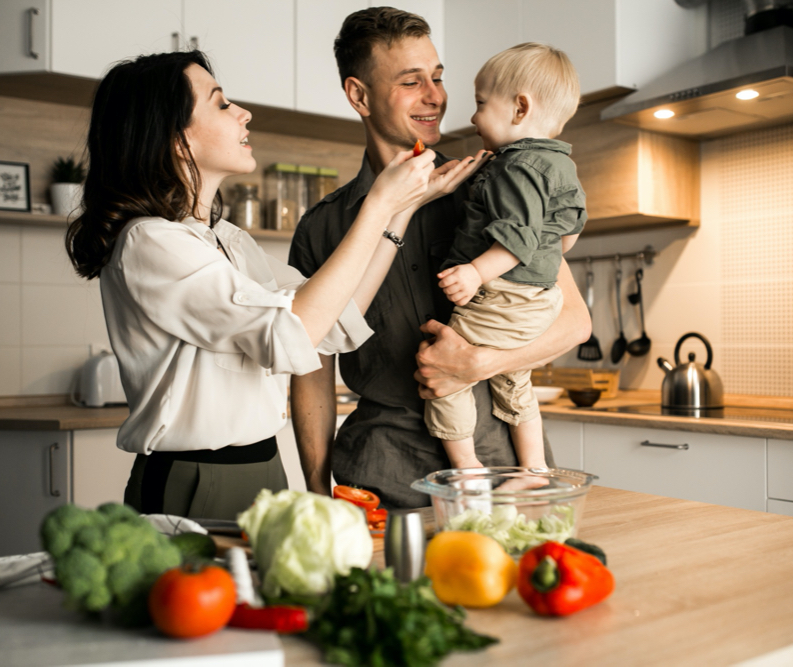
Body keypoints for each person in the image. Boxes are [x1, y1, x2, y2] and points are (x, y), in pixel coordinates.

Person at [64, 50, 478, 520]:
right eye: (221, 104)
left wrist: (402, 209)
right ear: (177, 140)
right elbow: (293, 333)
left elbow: (333, 319)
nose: (244, 113)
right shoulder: (150, 241)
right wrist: (378, 204)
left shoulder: (228, 240)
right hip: (194, 479)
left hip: (264, 468)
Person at [289, 7, 592, 509]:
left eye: (437, 77)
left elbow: (574, 323)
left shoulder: (494, 182)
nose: (435, 97)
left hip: (504, 472)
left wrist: (478, 363)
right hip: (379, 476)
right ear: (358, 95)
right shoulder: (322, 227)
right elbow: (311, 375)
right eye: (412, 81)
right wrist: (317, 494)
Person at [429, 43, 587, 472]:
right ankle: (533, 467)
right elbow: (566, 238)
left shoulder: (515, 167)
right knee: (516, 379)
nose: (474, 117)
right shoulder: (561, 165)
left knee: (446, 373)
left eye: (480, 103)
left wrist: (476, 272)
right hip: (539, 299)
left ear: (520, 108)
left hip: (501, 296)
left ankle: (468, 470)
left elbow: (517, 239)